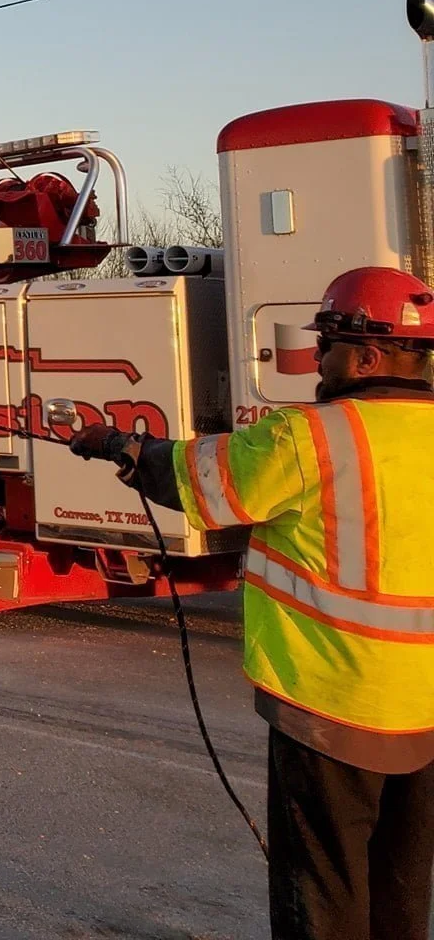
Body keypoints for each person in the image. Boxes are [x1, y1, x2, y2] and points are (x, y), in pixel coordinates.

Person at [71, 265, 434, 940]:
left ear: (367, 354)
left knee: (322, 893)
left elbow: (202, 478)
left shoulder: (313, 436)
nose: (315, 359)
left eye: (325, 343)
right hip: (424, 711)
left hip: (333, 706)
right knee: (400, 890)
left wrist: (121, 445)